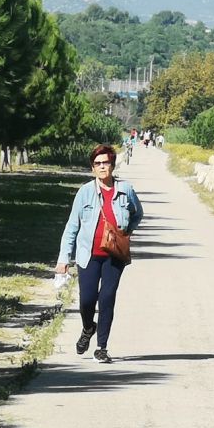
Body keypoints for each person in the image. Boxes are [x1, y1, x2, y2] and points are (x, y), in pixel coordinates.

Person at [55, 144, 144, 363]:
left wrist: (126, 232)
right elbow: (71, 226)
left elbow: (138, 213)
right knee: (87, 300)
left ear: (113, 165)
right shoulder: (85, 192)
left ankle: (102, 347)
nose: (102, 167)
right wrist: (63, 258)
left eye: (106, 163)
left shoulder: (126, 190)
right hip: (88, 255)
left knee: (106, 298)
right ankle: (88, 327)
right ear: (92, 168)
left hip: (114, 255)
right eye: (98, 164)